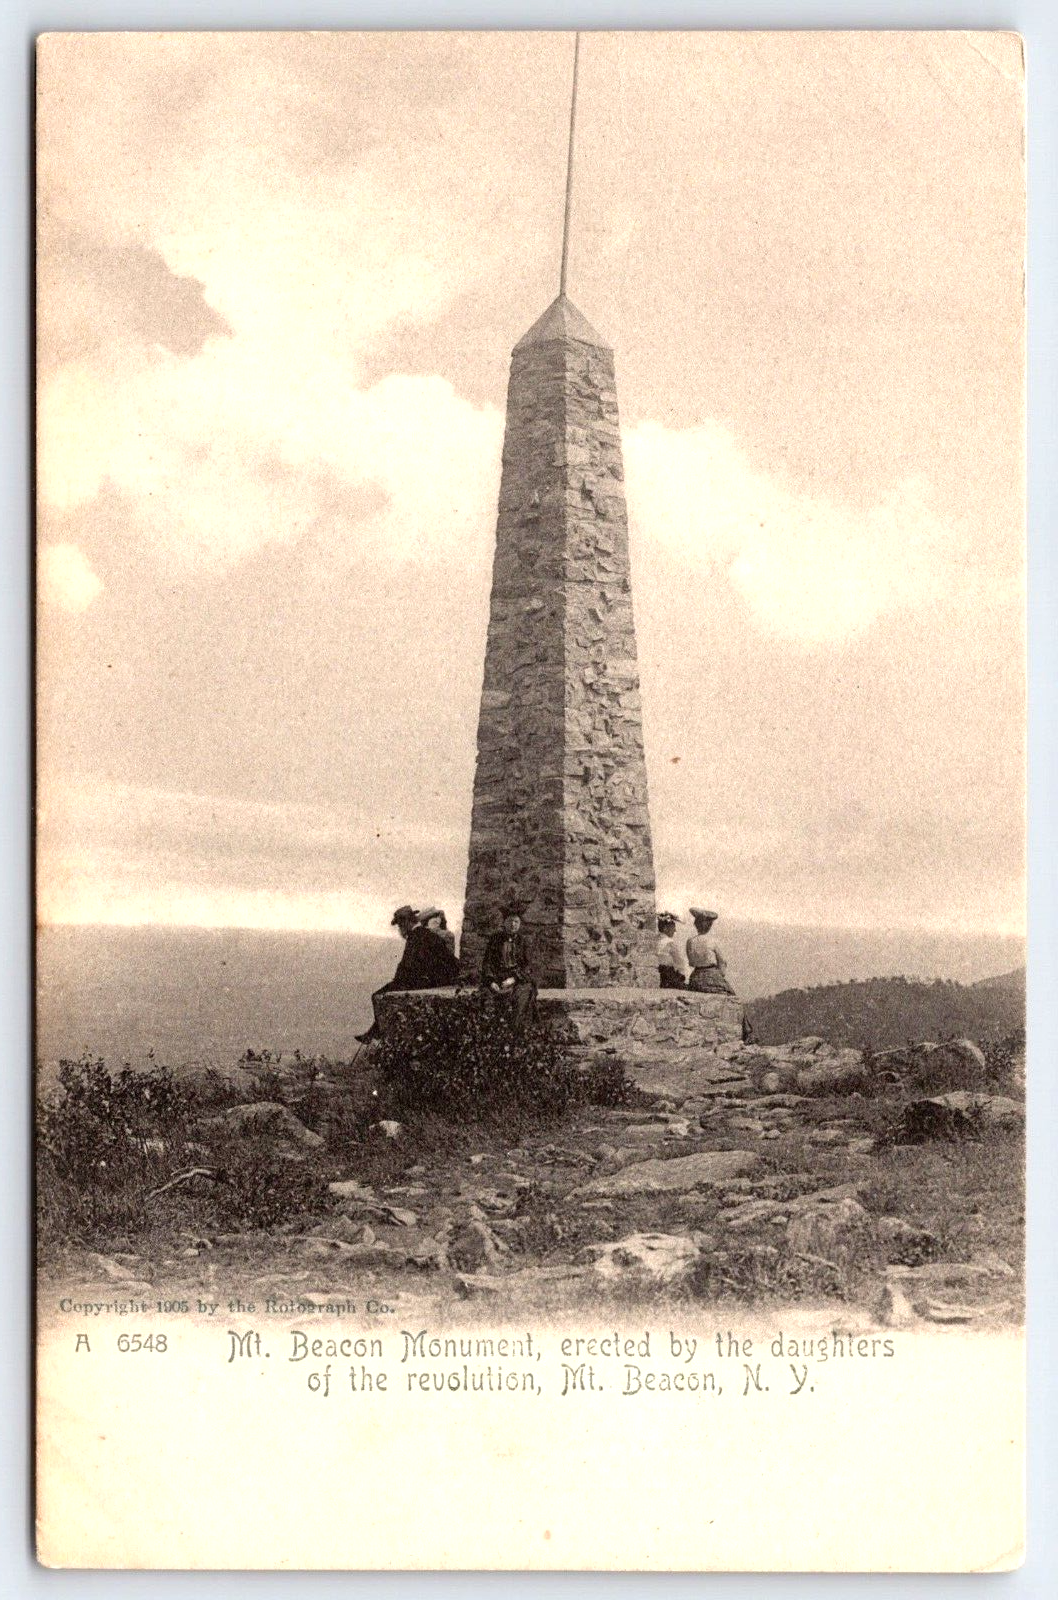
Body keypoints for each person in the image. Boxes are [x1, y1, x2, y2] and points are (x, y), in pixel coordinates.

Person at [355, 903, 461, 1043]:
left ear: (406, 923)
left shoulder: (415, 937)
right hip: (440, 979)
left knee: (378, 995)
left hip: (425, 981)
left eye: (400, 925)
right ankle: (375, 1031)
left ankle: (378, 1032)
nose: (400, 929)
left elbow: (408, 965)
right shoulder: (428, 935)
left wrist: (397, 980)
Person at [479, 900, 537, 1030]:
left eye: (516, 922)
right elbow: (487, 963)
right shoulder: (495, 939)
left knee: (522, 997)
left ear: (520, 924)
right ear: (504, 923)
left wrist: (514, 979)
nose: (513, 924)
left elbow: (527, 966)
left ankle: (516, 1032)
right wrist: (491, 981)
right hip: (498, 978)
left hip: (517, 979)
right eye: (510, 921)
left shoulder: (523, 941)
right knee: (486, 998)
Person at [685, 907, 736, 995]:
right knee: (731, 995)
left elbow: (691, 962)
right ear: (709, 926)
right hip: (712, 977)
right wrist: (719, 977)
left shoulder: (690, 941)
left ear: (696, 925)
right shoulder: (712, 941)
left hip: (695, 978)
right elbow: (722, 962)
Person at [656, 913, 687, 988]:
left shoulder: (655, 940)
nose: (675, 930)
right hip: (668, 975)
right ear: (665, 928)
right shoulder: (670, 942)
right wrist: (681, 976)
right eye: (673, 927)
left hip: (657, 973)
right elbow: (680, 963)